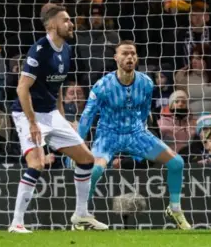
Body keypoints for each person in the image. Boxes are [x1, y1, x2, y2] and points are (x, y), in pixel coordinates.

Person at [9, 4, 107, 233]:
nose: (71, 24)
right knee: (37, 163)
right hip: (27, 113)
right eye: (66, 20)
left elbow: (58, 85)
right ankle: (16, 223)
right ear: (52, 25)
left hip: (51, 113)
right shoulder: (39, 50)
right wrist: (32, 122)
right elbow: (22, 89)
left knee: (86, 159)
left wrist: (63, 119)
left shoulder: (67, 49)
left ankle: (81, 215)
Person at [77, 40, 191, 230]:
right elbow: (87, 117)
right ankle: (81, 215)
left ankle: (175, 209)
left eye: (133, 54)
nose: (130, 57)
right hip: (108, 134)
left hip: (137, 133)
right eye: (125, 54)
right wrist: (79, 145)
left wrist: (143, 130)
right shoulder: (102, 85)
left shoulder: (146, 82)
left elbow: (145, 110)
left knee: (177, 163)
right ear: (116, 58)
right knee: (95, 170)